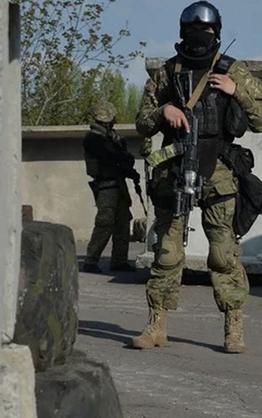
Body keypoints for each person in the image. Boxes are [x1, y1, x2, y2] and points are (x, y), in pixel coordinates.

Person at [132, 1, 262, 353]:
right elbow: (142, 120)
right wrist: (164, 110)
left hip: (219, 170)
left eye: (205, 31)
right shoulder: (168, 72)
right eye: (193, 30)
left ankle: (233, 330)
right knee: (168, 252)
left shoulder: (233, 70)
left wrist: (238, 92)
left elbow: (261, 119)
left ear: (216, 32)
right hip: (176, 166)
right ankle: (156, 325)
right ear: (181, 31)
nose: (199, 36)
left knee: (223, 253)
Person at [82, 100, 139, 274]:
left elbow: (125, 158)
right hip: (106, 186)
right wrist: (122, 160)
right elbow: (110, 156)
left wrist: (129, 169)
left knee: (123, 222)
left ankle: (119, 261)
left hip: (118, 184)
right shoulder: (93, 138)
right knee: (104, 222)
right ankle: (91, 260)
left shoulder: (115, 138)